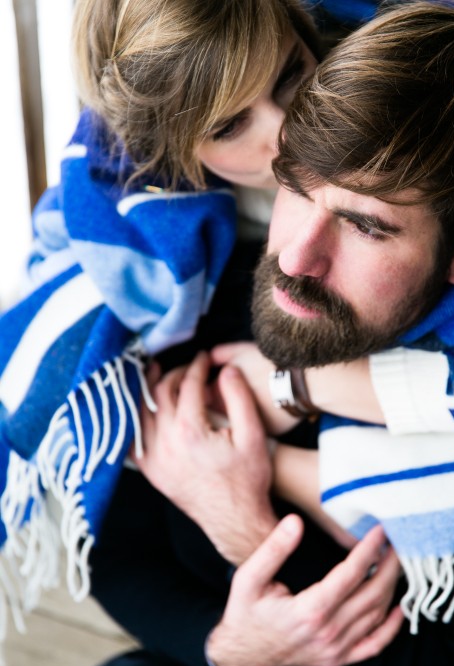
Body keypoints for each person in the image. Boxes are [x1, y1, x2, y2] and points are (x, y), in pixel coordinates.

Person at [62, 2, 454, 666]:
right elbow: (117, 543)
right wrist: (226, 648)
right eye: (299, 182)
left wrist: (254, 525)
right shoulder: (178, 284)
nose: (298, 256)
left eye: (367, 223)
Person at [0, 0, 321, 623]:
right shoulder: (140, 271)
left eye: (290, 75)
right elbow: (116, 552)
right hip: (219, 620)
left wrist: (304, 388)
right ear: (173, 149)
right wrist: (223, 648)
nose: (286, 131)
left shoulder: (415, 136)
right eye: (229, 125)